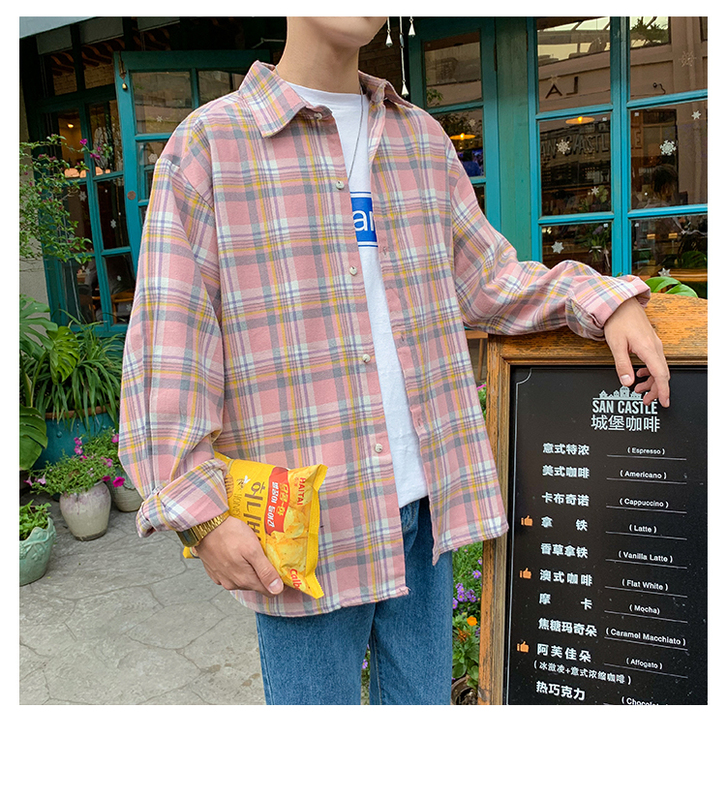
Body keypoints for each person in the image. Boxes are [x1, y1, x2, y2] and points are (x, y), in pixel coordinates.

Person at [118, 17, 670, 705]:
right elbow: (169, 346)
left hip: (426, 507)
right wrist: (200, 517)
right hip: (306, 529)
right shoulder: (211, 146)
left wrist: (602, 299)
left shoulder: (421, 140)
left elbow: (487, 281)